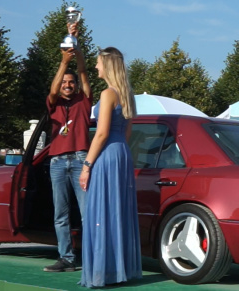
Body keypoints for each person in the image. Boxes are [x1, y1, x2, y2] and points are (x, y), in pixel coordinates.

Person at [78, 47, 142, 288]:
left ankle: (102, 272)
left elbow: (101, 132)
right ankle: (118, 269)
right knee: (118, 210)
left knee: (101, 210)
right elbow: (127, 131)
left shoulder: (107, 94)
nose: (96, 68)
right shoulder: (127, 93)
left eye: (98, 64)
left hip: (106, 154)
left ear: (107, 65)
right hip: (121, 153)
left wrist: (86, 165)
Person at [43, 21, 92, 273]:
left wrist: (76, 44)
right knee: (60, 214)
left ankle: (93, 257)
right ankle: (67, 259)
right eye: (65, 82)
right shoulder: (53, 104)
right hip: (58, 163)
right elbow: (52, 90)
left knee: (87, 214)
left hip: (80, 159)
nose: (68, 85)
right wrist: (63, 61)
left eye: (71, 82)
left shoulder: (84, 101)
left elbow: (83, 72)